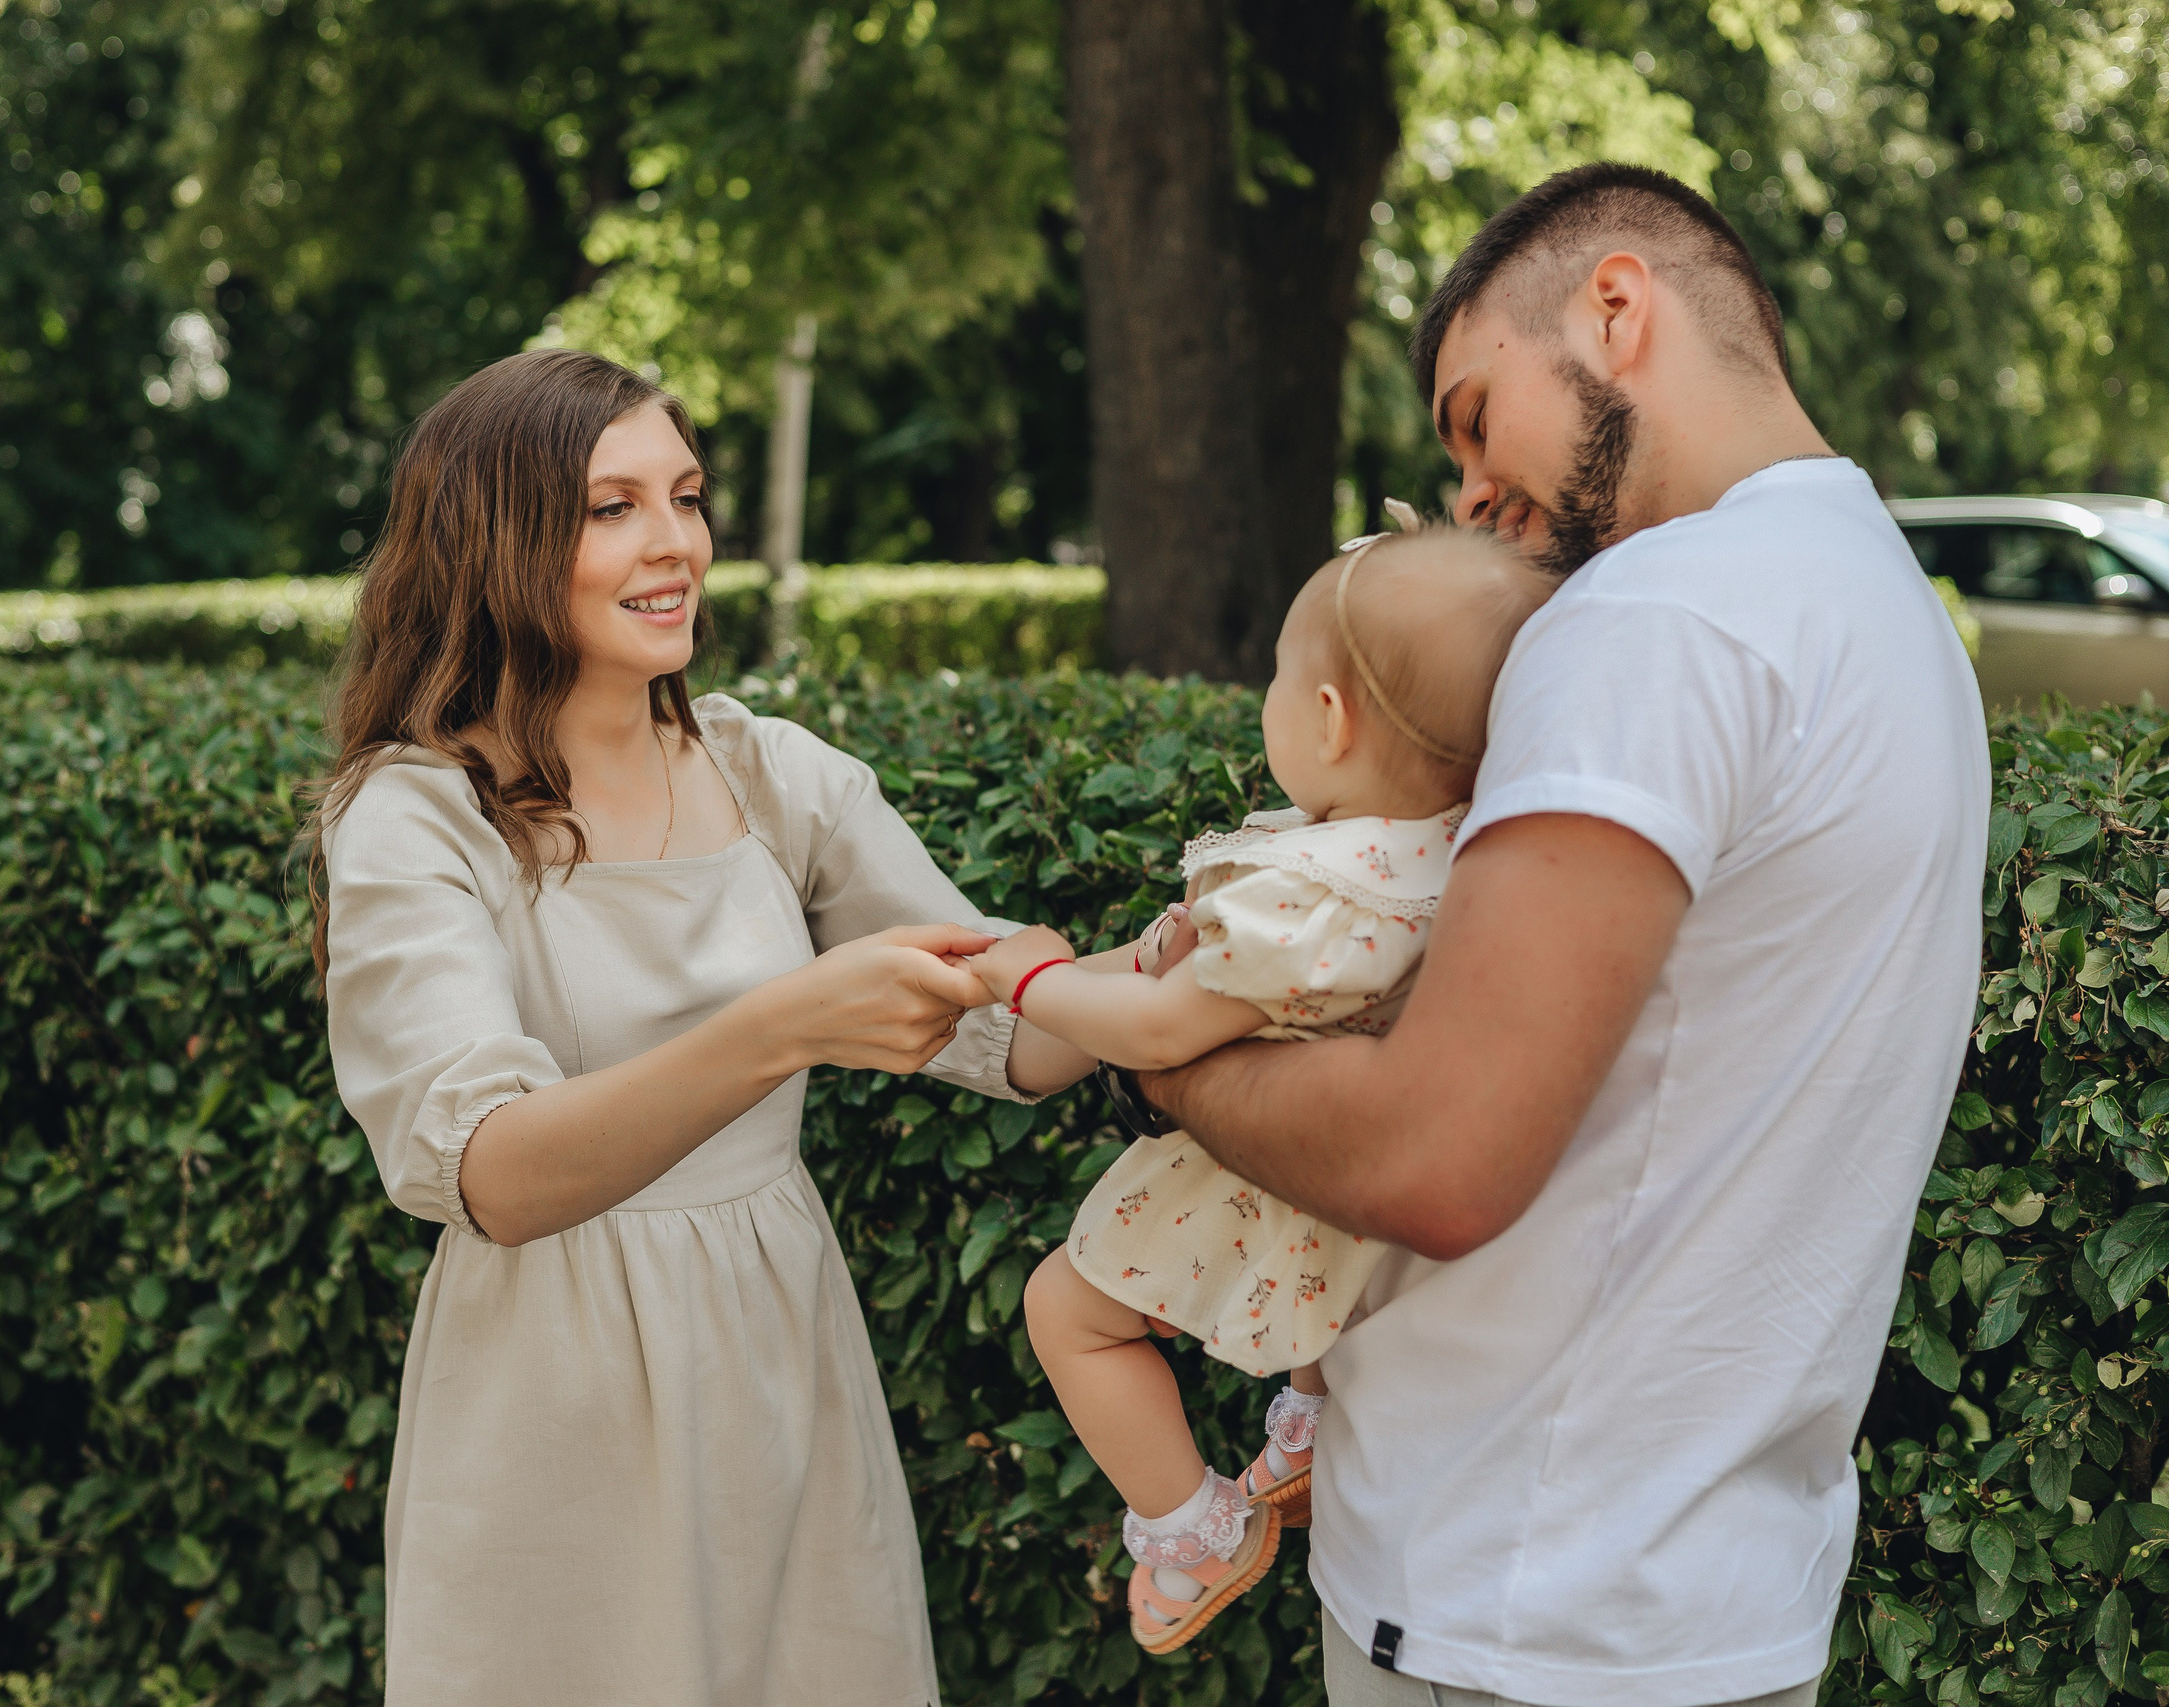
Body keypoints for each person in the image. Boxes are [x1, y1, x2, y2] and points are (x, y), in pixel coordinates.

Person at [1124, 161, 1990, 1706]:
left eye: (1474, 416)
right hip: (1710, 1591)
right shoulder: (1880, 601)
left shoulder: (1654, 614)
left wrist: (1168, 1050)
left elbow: (1435, 1156)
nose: (1467, 493)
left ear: (1614, 304)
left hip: (1513, 1598)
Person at [306, 350, 1096, 1707]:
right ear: (495, 540)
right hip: (551, 1386)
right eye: (612, 507)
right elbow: (490, 1169)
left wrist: (1202, 957)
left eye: (686, 494)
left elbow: (1008, 1030)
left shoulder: (771, 772)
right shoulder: (417, 816)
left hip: (777, 1349)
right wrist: (785, 1022)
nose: (674, 542)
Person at [963, 528, 1552, 1655]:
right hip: (1364, 1187)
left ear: (1327, 720)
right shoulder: (1445, 850)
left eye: (1280, 679)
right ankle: (1302, 1429)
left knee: (1069, 1314)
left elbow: (1156, 1030)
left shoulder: (1302, 890)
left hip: (1269, 1166)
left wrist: (1027, 979)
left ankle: (1191, 1525)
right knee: (1322, 1304)